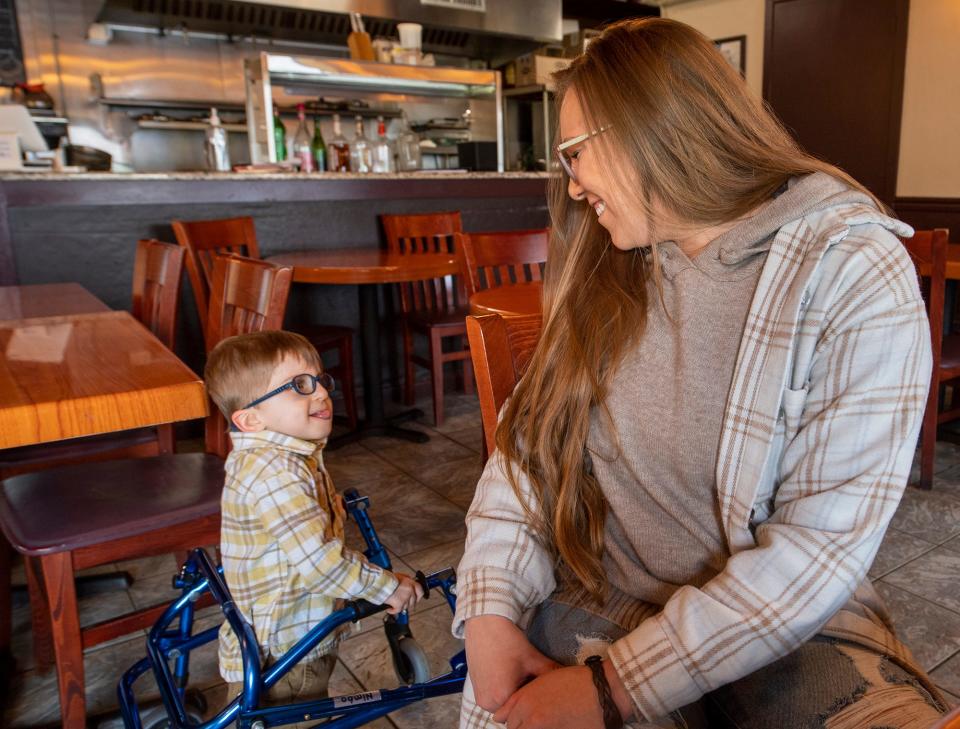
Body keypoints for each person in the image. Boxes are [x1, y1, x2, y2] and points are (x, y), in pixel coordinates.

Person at [453, 18, 944, 729]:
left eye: (573, 152)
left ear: (647, 127)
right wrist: (490, 607)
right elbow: (526, 454)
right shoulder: (611, 261)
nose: (571, 180)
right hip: (602, 592)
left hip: (788, 629)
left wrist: (610, 688)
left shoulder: (851, 273)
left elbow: (817, 549)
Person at [204, 330, 422, 723]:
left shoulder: (277, 455)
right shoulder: (277, 473)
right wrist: (388, 586)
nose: (321, 393)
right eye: (298, 386)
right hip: (288, 654)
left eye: (321, 380)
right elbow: (323, 564)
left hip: (284, 634)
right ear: (251, 418)